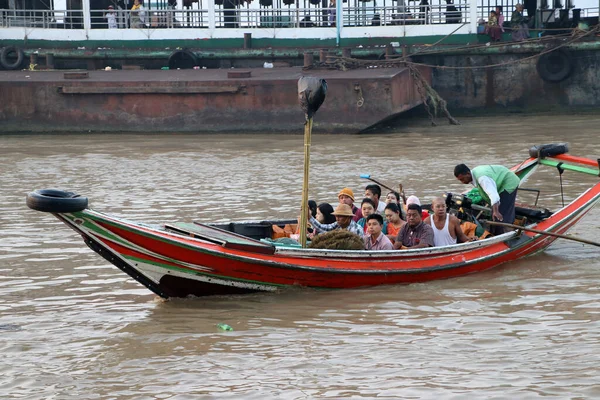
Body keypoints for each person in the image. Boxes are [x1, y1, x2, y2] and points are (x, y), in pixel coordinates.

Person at [454, 163, 520, 235]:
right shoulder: (475, 175)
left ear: (468, 173)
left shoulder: (482, 178)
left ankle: (507, 233)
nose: (462, 182)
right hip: (499, 181)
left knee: (502, 213)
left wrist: (496, 211)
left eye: (462, 179)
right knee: (495, 213)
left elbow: (493, 195)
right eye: (460, 180)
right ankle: (495, 231)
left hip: (508, 183)